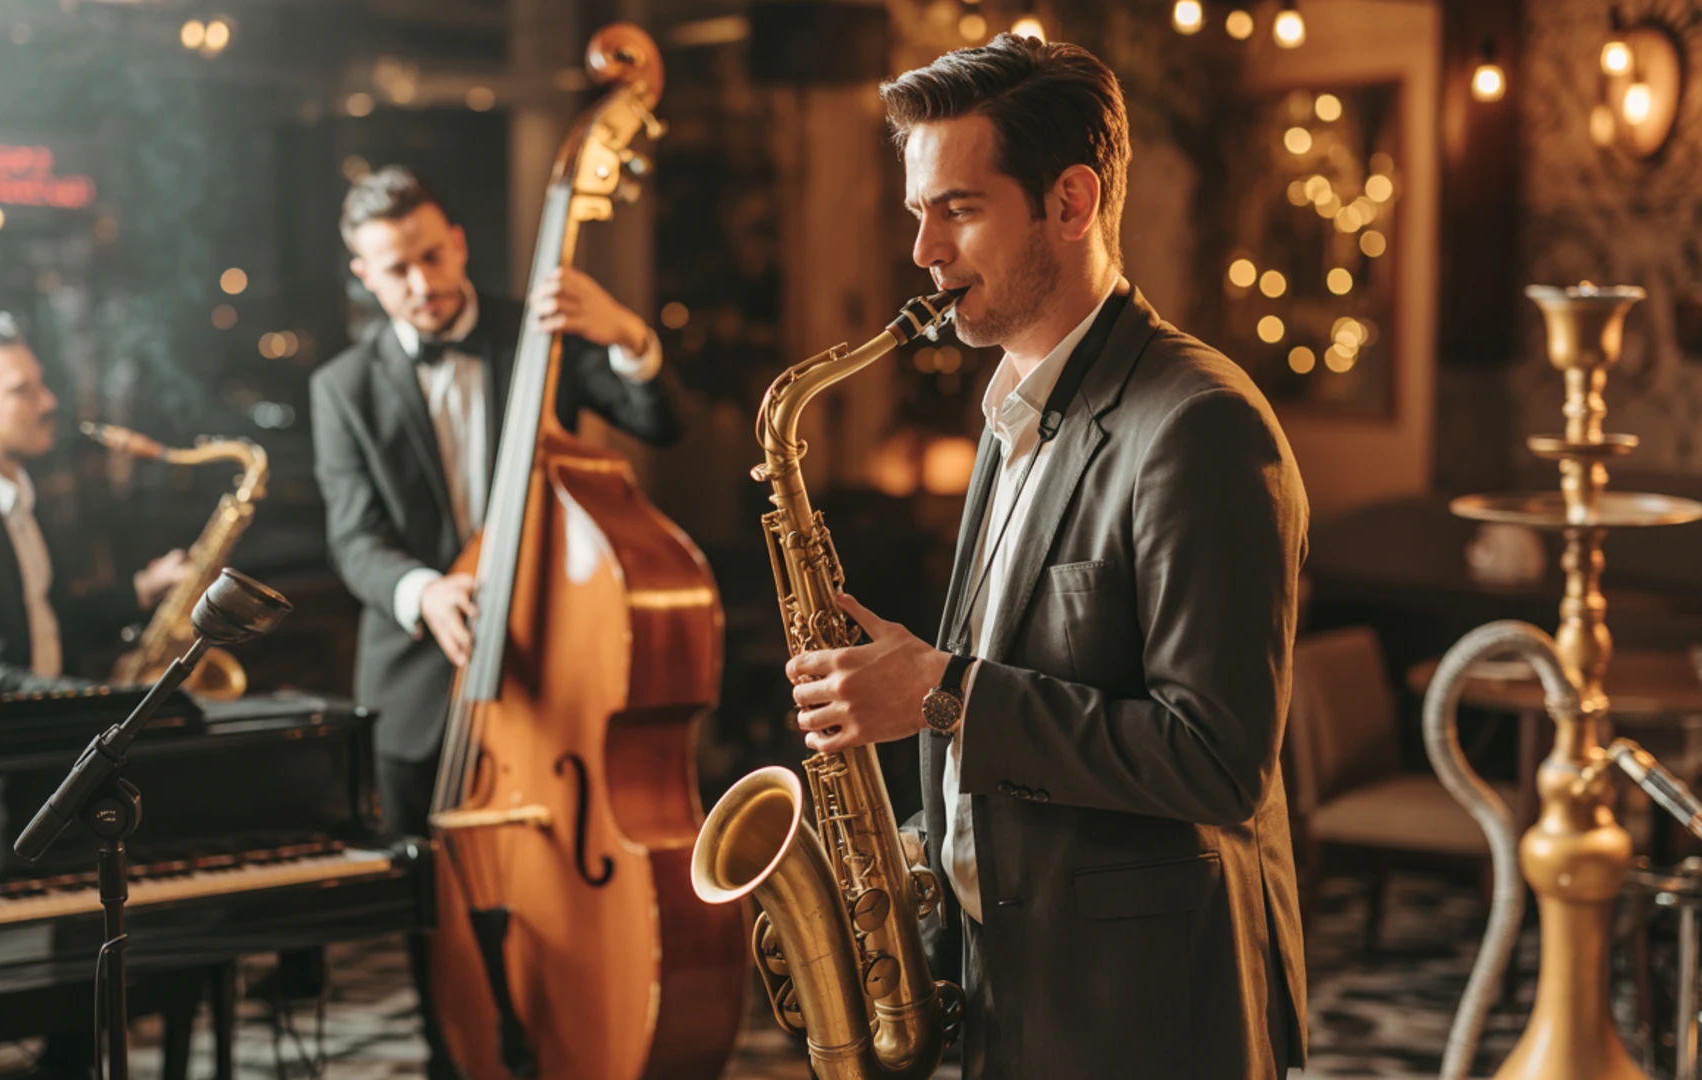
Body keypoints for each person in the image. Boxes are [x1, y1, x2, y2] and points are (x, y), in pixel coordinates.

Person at [784, 35, 1310, 1080]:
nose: (925, 250)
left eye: (960, 209)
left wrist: (943, 695)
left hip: (1141, 1020)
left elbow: (1217, 759)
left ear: (1072, 203)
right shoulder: (1014, 409)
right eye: (917, 212)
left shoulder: (1200, 424)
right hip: (1016, 993)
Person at [309, 165, 681, 1079]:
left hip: (559, 664)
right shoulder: (342, 387)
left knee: (565, 896)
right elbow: (357, 543)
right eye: (395, 269)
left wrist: (628, 335)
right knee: (434, 922)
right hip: (419, 693)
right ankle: (458, 1059)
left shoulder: (542, 330)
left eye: (432, 256)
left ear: (459, 241)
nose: (422, 283)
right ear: (364, 274)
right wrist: (424, 591)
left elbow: (658, 420)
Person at [0, 311, 190, 709]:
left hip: (36, 733)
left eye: (41, 384)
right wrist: (119, 703)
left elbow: (49, 621)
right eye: (21, 390)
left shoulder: (18, 489)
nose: (48, 401)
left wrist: (143, 590)